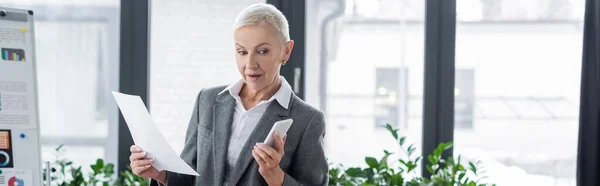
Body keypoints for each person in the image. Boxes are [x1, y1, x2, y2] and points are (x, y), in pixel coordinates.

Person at [128, 3, 328, 186]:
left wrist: (277, 178)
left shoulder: (307, 120)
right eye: (242, 52)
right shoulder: (207, 100)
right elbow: (189, 176)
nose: (250, 64)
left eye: (263, 51)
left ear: (286, 51)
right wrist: (160, 173)